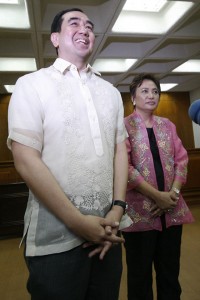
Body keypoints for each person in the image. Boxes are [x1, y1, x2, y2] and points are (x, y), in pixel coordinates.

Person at [7, 8, 130, 300]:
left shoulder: (111, 93)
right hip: (56, 240)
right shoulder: (31, 85)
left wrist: (118, 207)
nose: (85, 29)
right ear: (55, 38)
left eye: (89, 26)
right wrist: (77, 222)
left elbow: (119, 152)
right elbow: (25, 159)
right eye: (74, 23)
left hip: (108, 232)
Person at [122, 73, 194, 300]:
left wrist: (171, 195)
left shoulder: (168, 125)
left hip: (171, 212)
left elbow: (181, 160)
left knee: (170, 274)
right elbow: (125, 166)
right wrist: (157, 197)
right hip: (139, 215)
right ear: (133, 98)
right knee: (139, 277)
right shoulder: (124, 126)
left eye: (155, 91)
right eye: (144, 91)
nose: (151, 95)